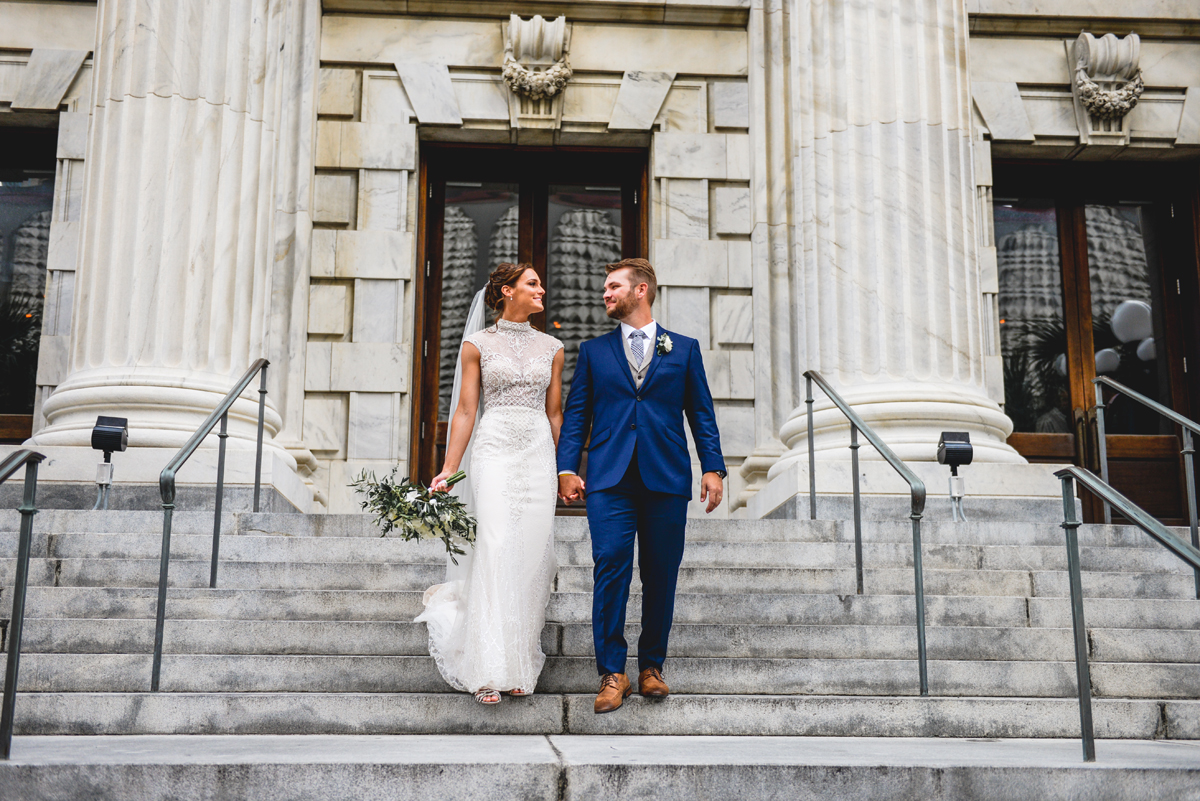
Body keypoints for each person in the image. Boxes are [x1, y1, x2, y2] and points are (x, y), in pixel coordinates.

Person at [557, 257, 725, 714]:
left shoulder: (684, 350)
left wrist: (714, 467)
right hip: (610, 478)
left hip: (666, 476)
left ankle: (652, 666)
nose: (605, 294)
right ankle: (613, 672)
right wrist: (566, 468)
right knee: (610, 565)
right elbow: (577, 416)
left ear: (641, 290)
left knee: (661, 574)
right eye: (605, 288)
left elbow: (701, 413)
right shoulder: (593, 352)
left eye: (614, 287)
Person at [416, 262, 565, 705]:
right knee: (497, 546)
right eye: (532, 284)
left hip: (536, 453)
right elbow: (465, 411)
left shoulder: (553, 347)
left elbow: (555, 412)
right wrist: (449, 467)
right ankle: (487, 669)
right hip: (495, 450)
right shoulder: (477, 344)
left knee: (531, 554)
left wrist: (559, 467)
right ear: (506, 291)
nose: (542, 289)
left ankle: (517, 663)